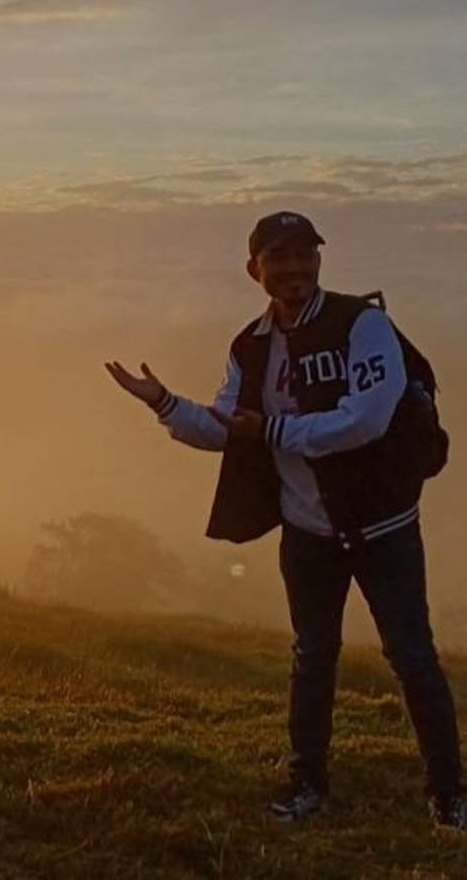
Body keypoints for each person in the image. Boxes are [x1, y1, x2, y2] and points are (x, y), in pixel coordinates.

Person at [105, 210, 465, 828]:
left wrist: (272, 428)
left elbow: (366, 419)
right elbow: (229, 428)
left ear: (319, 261)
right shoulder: (251, 346)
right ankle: (307, 786)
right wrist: (163, 404)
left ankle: (450, 794)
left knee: (412, 656)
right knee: (312, 656)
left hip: (384, 527)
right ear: (256, 270)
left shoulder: (364, 324)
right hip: (308, 533)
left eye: (305, 255)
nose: (295, 268)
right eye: (280, 258)